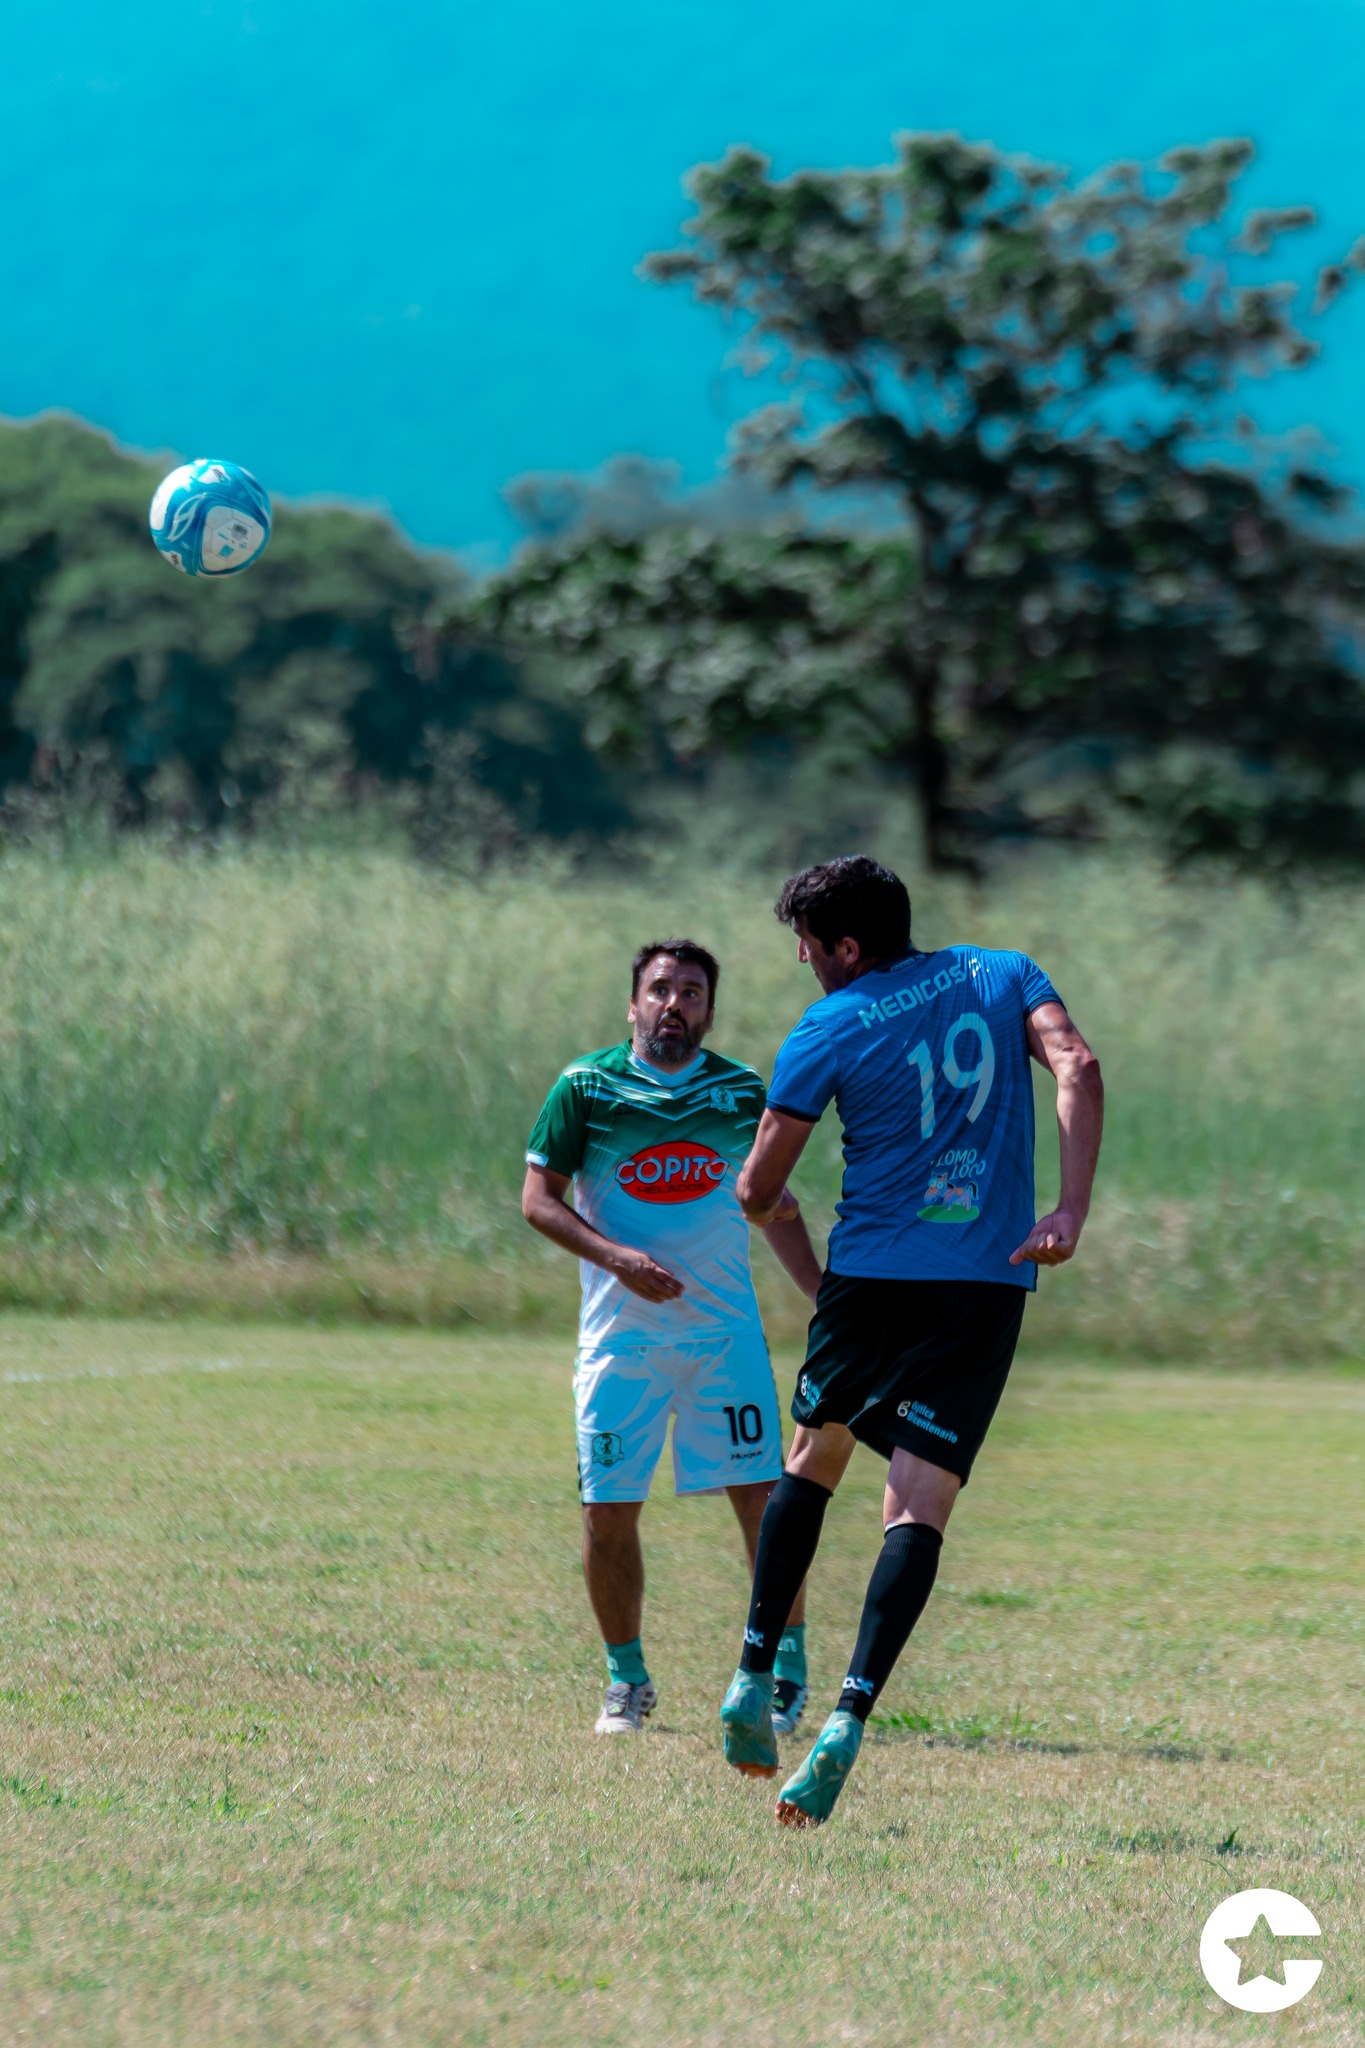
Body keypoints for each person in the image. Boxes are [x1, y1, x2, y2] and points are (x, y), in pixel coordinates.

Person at [717, 857, 1104, 1825]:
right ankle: (849, 1715)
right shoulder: (1006, 971)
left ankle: (752, 1673)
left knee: (813, 1456)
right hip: (984, 1279)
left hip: (875, 1272)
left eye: (808, 946)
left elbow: (761, 1185)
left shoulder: (831, 1024)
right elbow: (1079, 1064)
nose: (806, 963)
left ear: (846, 945)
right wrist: (1067, 1207)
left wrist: (774, 1218)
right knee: (918, 1503)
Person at [522, 940, 824, 1737]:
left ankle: (781, 1669)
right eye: (659, 989)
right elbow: (537, 1201)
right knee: (607, 1514)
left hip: (724, 1339)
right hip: (621, 1344)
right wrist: (617, 1258)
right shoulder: (585, 1087)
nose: (673, 1005)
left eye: (691, 992)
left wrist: (823, 1295)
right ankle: (626, 1681)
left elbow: (771, 1203)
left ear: (708, 1010)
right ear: (632, 1004)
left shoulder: (740, 1092)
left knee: (765, 1507)